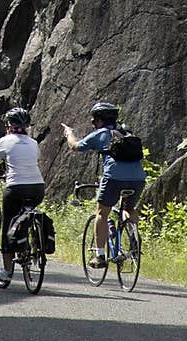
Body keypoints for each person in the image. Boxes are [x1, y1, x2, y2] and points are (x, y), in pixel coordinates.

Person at [62, 100, 145, 267]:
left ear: (99, 120)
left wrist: (69, 133)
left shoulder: (100, 134)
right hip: (138, 178)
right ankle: (134, 239)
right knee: (128, 209)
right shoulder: (126, 133)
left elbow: (75, 146)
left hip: (113, 177)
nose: (93, 123)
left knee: (102, 213)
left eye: (94, 120)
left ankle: (99, 255)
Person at [0, 106, 45, 282]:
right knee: (25, 216)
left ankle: (6, 272)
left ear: (9, 125)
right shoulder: (33, 143)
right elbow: (36, 160)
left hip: (15, 188)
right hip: (37, 188)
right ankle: (27, 242)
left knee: (7, 225)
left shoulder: (5, 141)